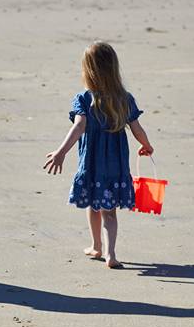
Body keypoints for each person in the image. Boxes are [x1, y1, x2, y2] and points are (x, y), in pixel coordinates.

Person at [45, 42, 153, 269]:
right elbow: (137, 129)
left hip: (92, 165)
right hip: (115, 166)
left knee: (93, 205)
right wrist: (147, 145)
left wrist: (61, 152)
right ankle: (110, 254)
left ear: (88, 70)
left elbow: (79, 127)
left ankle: (96, 246)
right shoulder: (124, 98)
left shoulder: (83, 99)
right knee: (110, 212)